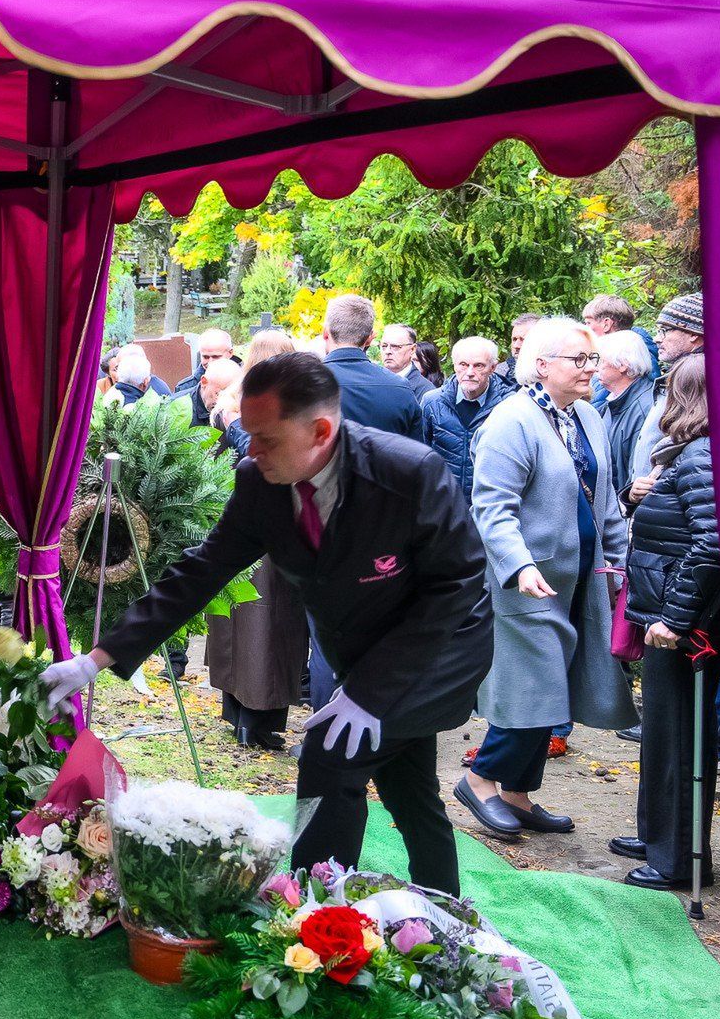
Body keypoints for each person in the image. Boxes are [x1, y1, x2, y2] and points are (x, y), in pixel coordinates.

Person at [39, 354, 490, 894]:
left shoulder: (408, 472)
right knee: (407, 781)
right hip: (364, 650)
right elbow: (202, 571)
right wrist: (96, 659)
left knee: (332, 749)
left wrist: (369, 693)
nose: (250, 450)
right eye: (246, 433)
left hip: (439, 647)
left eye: (266, 438)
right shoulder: (260, 480)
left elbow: (457, 585)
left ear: (321, 430)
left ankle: (311, 912)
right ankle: (442, 902)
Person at [461, 318, 637, 839]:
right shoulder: (511, 421)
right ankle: (480, 780)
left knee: (554, 691)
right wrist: (520, 565)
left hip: (578, 582)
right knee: (533, 690)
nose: (590, 369)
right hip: (526, 583)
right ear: (542, 366)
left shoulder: (587, 415)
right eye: (578, 360)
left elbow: (603, 499)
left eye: (591, 359)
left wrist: (621, 563)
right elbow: (492, 508)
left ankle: (517, 794)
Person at [613, 356, 720, 890]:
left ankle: (675, 857)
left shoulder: (705, 454)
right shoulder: (690, 454)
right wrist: (636, 495)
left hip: (684, 623)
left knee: (680, 736)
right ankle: (657, 833)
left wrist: (674, 618)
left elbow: (713, 545)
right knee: (661, 732)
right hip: (667, 610)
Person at [311, 295, 424, 706]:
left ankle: (327, 730)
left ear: (326, 334)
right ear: (371, 338)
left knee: (325, 635)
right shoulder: (398, 391)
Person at [202, 331, 311, 751]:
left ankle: (236, 714)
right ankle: (259, 720)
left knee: (237, 616)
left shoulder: (229, 402)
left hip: (232, 518)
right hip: (275, 522)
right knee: (271, 621)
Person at [629, 293, 706, 485]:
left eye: (665, 330)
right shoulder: (674, 379)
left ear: (693, 334)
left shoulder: (702, 383)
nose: (657, 338)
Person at [420, 336, 511, 500]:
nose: (469, 372)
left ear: (493, 367)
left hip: (488, 504)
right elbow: (422, 453)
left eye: (479, 366)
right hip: (443, 503)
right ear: (454, 365)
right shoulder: (431, 402)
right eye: (463, 365)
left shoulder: (509, 406)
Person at [321, 297, 423, 438]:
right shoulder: (400, 389)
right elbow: (417, 455)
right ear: (370, 338)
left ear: (325, 333)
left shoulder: (302, 384)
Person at [593, 330, 656, 501]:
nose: (594, 367)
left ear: (623, 365)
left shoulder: (646, 408)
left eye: (600, 361)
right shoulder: (611, 404)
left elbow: (640, 474)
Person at [582, 294, 659, 406]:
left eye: (588, 323)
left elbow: (599, 406)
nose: (586, 329)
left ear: (606, 324)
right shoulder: (634, 351)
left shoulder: (627, 358)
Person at [173, 328, 239, 395]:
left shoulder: (246, 382)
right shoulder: (184, 388)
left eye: (216, 357)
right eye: (206, 357)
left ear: (230, 353)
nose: (210, 362)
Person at [381, 323, 436, 398]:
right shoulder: (371, 382)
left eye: (395, 347)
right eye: (384, 346)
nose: (387, 351)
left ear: (412, 349)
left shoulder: (425, 391)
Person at [495, 313, 542, 389]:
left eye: (523, 340)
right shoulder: (499, 374)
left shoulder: (552, 373)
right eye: (514, 339)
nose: (516, 346)